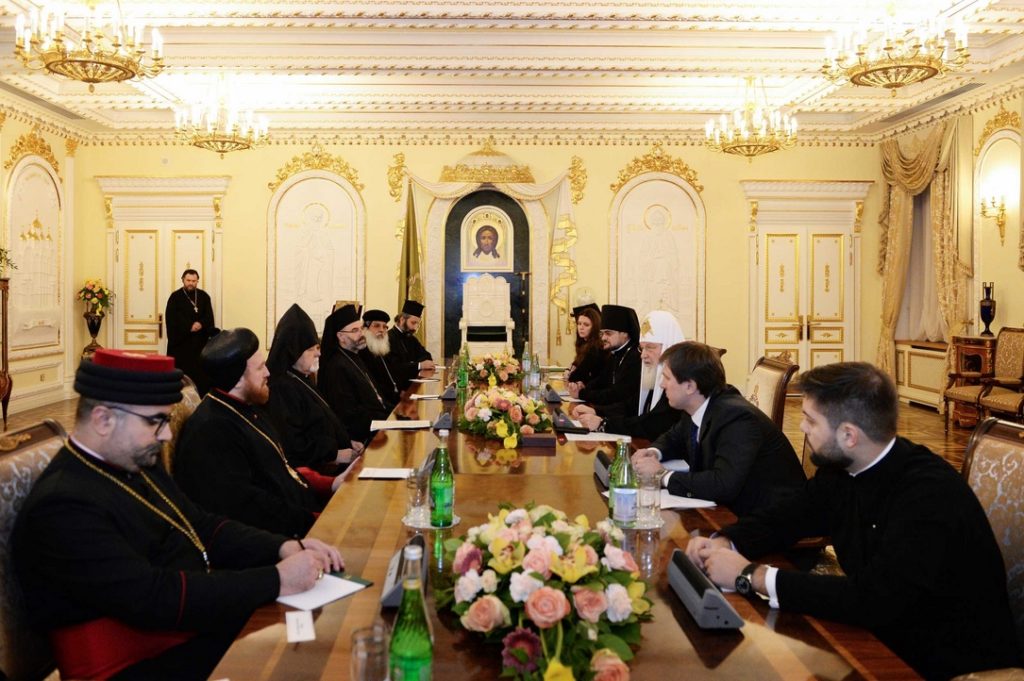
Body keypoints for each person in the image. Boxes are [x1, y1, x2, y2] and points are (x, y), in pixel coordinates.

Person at [12, 348, 342, 680]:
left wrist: (283, 547)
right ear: (103, 419)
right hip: (141, 663)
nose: (167, 435)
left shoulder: (133, 460)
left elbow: (199, 524)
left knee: (322, 637)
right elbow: (154, 597)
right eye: (156, 422)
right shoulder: (62, 507)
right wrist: (277, 579)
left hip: (186, 629)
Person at [686, 362, 1021, 679]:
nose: (801, 428)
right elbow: (787, 517)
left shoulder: (929, 494)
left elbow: (875, 599)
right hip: (882, 633)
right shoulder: (842, 469)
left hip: (943, 659)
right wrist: (725, 540)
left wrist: (750, 575)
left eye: (810, 420)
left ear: (849, 435)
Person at [174, 328, 327, 537]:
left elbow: (281, 471)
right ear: (237, 377)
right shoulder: (213, 430)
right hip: (280, 537)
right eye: (260, 368)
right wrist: (315, 520)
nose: (268, 373)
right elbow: (249, 507)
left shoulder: (248, 406)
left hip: (302, 514)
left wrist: (332, 484)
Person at [632, 341, 804, 516]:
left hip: (772, 518)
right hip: (733, 507)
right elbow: (673, 438)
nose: (662, 384)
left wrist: (662, 475)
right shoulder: (698, 404)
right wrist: (653, 453)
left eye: (667, 378)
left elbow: (723, 484)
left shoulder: (736, 419)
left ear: (690, 386)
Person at [266, 304, 363, 471]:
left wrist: (347, 442)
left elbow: (324, 421)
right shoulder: (281, 388)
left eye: (318, 347)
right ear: (293, 352)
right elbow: (293, 444)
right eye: (311, 349)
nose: (319, 354)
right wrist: (334, 454)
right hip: (317, 473)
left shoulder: (302, 378)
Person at [574, 310, 684, 441]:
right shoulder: (651, 373)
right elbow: (631, 405)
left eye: (650, 347)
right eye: (642, 348)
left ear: (669, 346)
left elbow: (653, 424)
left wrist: (603, 424)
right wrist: (597, 411)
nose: (643, 355)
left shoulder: (680, 381)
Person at [319, 304, 391, 442]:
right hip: (362, 436)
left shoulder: (355, 357)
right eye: (355, 330)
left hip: (379, 423)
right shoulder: (336, 367)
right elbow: (349, 415)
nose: (362, 334)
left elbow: (376, 397)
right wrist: (387, 421)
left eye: (361, 329)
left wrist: (395, 413)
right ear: (341, 336)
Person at [567, 304, 641, 414]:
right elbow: (601, 381)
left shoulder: (634, 357)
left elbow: (615, 394)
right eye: (602, 333)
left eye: (608, 333)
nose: (603, 338)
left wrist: (582, 393)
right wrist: (583, 388)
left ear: (625, 334)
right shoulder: (615, 354)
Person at [164, 269, 216, 395]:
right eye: (188, 280)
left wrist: (200, 324)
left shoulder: (204, 296)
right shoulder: (175, 297)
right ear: (183, 280)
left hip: (200, 346)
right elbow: (171, 319)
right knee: (181, 380)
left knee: (201, 379)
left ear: (197, 281)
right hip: (181, 346)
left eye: (194, 281)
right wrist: (189, 327)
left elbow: (209, 317)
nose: (191, 283)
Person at [360, 308, 402, 409]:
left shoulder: (382, 351)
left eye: (385, 327)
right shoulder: (362, 354)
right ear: (365, 328)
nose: (382, 330)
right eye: (376, 326)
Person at [387, 300, 435, 388]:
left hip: (411, 384)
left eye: (418, 324)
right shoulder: (388, 338)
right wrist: (419, 365)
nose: (415, 328)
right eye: (413, 323)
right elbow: (395, 367)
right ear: (402, 320)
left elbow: (426, 355)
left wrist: (415, 364)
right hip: (398, 388)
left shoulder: (410, 337)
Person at [566, 304, 607, 386]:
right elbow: (575, 365)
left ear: (594, 327)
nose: (581, 327)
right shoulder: (585, 344)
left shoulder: (595, 347)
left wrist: (571, 374)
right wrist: (568, 370)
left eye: (586, 325)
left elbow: (575, 376)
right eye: (579, 323)